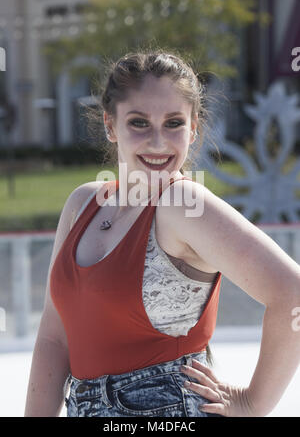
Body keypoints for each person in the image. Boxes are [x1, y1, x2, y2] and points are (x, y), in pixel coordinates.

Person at [24, 50, 300, 418]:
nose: (157, 142)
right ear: (110, 124)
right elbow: (53, 336)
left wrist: (252, 402)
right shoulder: (83, 203)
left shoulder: (183, 202)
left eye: (173, 123)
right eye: (138, 122)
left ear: (194, 127)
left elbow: (292, 292)